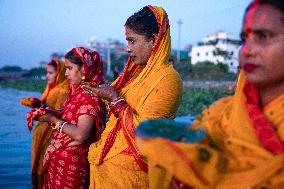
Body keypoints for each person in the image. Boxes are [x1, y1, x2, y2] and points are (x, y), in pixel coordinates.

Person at [137, 0, 284, 188]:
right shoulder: (219, 113)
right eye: (244, 40)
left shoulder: (169, 79)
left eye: (263, 36)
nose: (247, 51)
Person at [84, 5, 183, 188]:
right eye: (126, 41)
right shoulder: (137, 76)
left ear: (153, 40)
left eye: (132, 41)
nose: (127, 49)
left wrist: (115, 99)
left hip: (134, 180)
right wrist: (106, 96)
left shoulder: (168, 79)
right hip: (109, 175)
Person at [28, 47, 106, 188]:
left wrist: (53, 120)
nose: (66, 73)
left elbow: (81, 135)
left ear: (84, 69)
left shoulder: (89, 96)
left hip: (72, 167)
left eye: (69, 68)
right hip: (60, 163)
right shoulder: (76, 93)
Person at [21, 59, 69, 188]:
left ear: (59, 73)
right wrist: (34, 103)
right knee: (38, 166)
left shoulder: (63, 91)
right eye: (47, 72)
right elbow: (43, 105)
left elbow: (58, 114)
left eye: (51, 73)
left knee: (45, 167)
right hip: (42, 132)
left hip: (50, 134)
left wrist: (40, 109)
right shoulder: (50, 88)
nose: (47, 75)